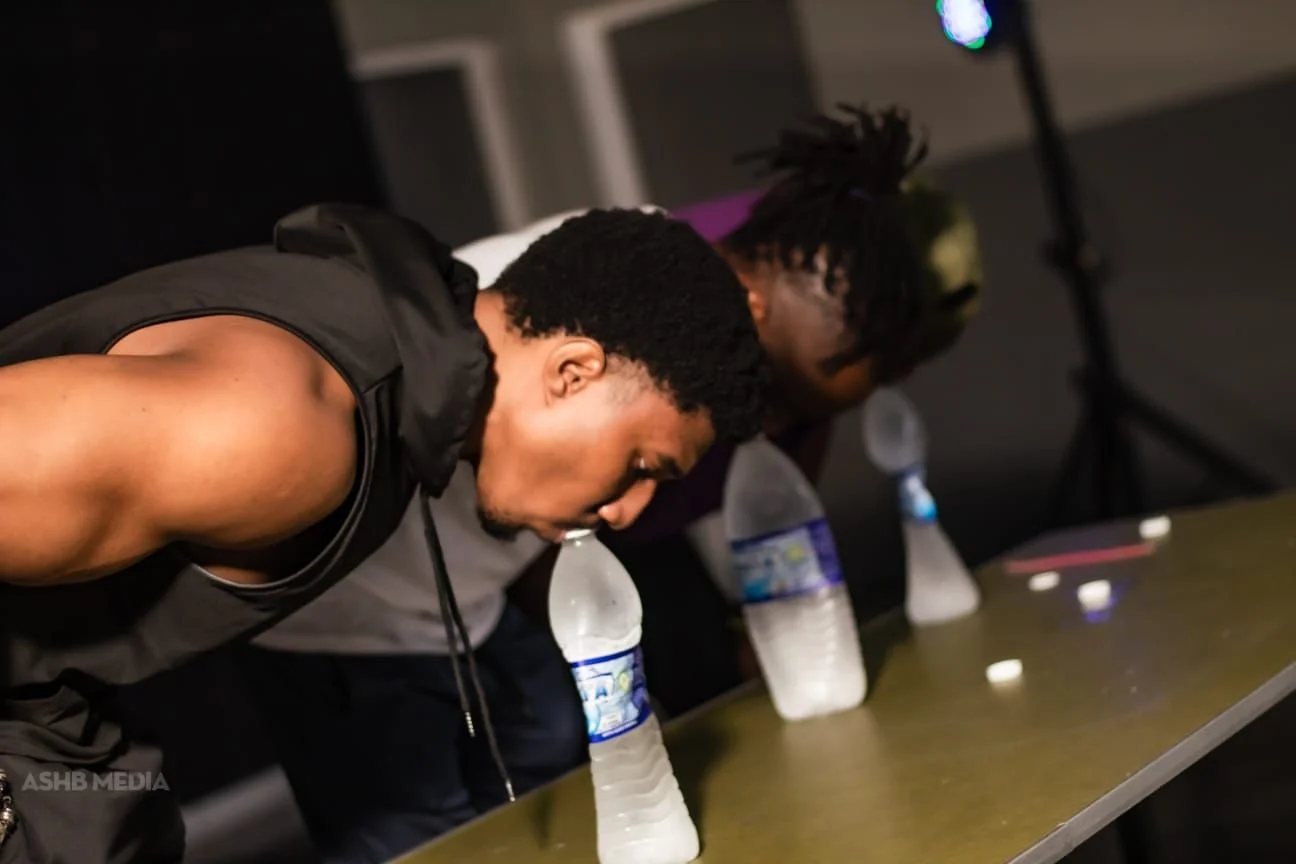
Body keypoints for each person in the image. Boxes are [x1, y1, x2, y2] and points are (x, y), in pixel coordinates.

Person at [242, 103, 983, 861]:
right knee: (415, 838)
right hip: (342, 624)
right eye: (778, 396)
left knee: (558, 787)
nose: (764, 425)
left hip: (470, 602)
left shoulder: (699, 343)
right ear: (751, 309)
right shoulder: (592, 290)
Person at [0, 203, 768, 864]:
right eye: (641, 462)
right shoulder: (285, 426)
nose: (629, 510)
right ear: (572, 371)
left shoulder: (398, 373)